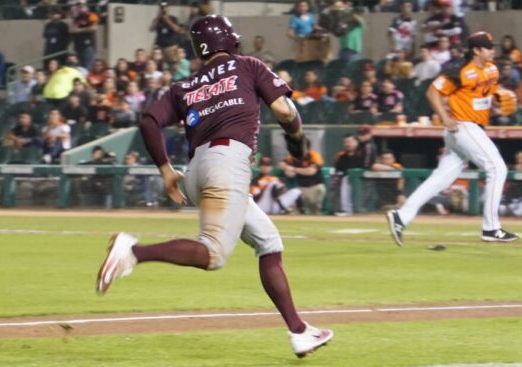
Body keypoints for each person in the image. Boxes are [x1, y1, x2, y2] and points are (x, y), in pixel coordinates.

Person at [95, 15, 333, 359]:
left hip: (195, 171)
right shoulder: (248, 65)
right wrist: (297, 140)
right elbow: (283, 110)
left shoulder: (184, 86)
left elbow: (149, 121)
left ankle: (299, 331)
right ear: (229, 41)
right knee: (213, 254)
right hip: (227, 163)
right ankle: (133, 252)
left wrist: (165, 170)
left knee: (268, 242)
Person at [387, 32, 520, 245]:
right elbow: (432, 92)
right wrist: (445, 117)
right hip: (463, 126)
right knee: (497, 167)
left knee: (440, 179)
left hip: (470, 129)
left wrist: (498, 100)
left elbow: (488, 95)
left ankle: (402, 216)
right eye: (487, 47)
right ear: (476, 50)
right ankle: (491, 228)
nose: (492, 50)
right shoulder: (460, 70)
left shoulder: (492, 69)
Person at [279, 140, 326, 215]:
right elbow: (281, 164)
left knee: (315, 212)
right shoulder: (293, 156)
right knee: (295, 209)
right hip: (301, 188)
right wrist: (288, 169)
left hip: (315, 186)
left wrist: (294, 170)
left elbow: (311, 171)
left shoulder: (314, 155)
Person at [333, 134, 364, 216]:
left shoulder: (362, 154)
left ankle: (356, 210)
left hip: (362, 181)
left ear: (356, 142)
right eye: (346, 142)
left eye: (350, 141)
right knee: (345, 179)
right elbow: (337, 169)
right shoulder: (342, 156)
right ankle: (346, 210)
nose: (348, 144)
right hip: (347, 180)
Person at [500, 150, 522, 217]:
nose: (520, 161)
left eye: (521, 158)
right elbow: (504, 168)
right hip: (510, 200)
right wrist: (514, 169)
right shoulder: (512, 168)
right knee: (501, 210)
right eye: (518, 159)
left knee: (520, 213)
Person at [70, 0, 99, 70]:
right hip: (78, 45)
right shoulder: (77, 18)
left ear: (86, 7)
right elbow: (71, 30)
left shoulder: (91, 15)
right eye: (78, 7)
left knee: (88, 67)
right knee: (80, 68)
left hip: (88, 46)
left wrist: (80, 30)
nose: (80, 8)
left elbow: (95, 28)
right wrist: (72, 15)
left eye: (82, 6)